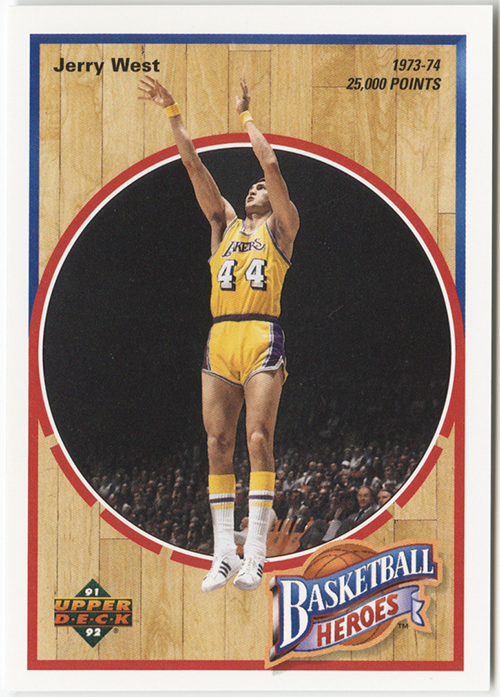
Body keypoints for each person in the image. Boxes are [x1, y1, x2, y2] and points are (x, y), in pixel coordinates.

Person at [139, 75, 300, 592]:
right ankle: (224, 555)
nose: (253, 189)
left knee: (258, 438)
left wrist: (245, 116)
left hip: (261, 333)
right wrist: (172, 112)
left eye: (259, 189)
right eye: (249, 188)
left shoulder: (282, 226)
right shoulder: (224, 223)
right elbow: (193, 165)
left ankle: (256, 556)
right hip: (220, 338)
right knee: (217, 443)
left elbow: (270, 164)